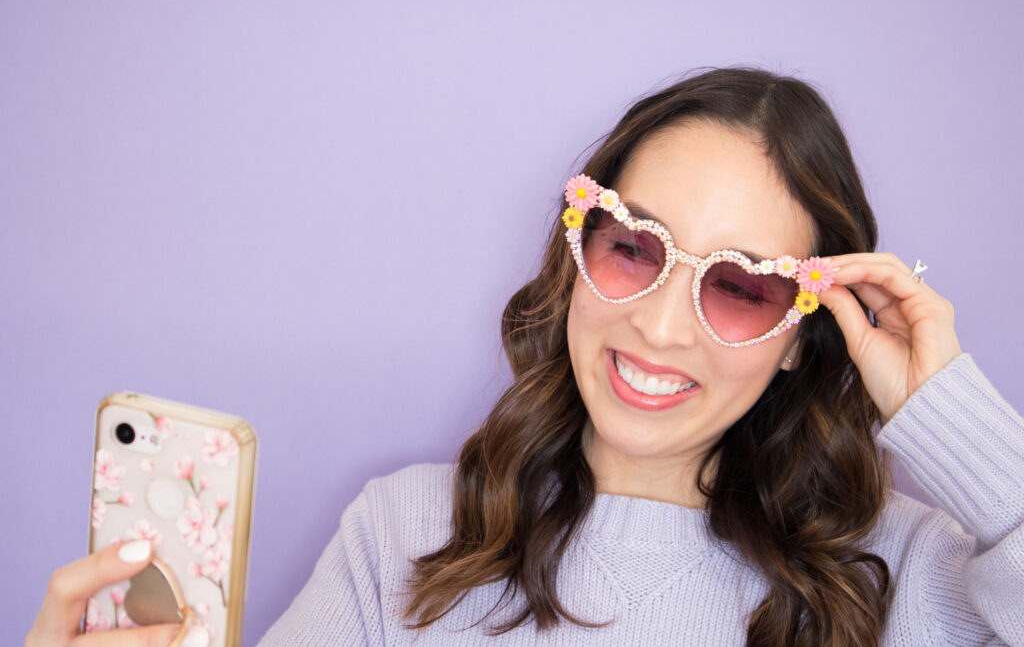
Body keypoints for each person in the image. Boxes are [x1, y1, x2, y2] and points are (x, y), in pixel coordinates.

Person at [29, 68, 1024, 646]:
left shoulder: (904, 575)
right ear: (577, 249)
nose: (662, 327)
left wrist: (954, 418)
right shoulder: (404, 534)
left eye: (740, 283)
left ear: (804, 333)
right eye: (634, 245)